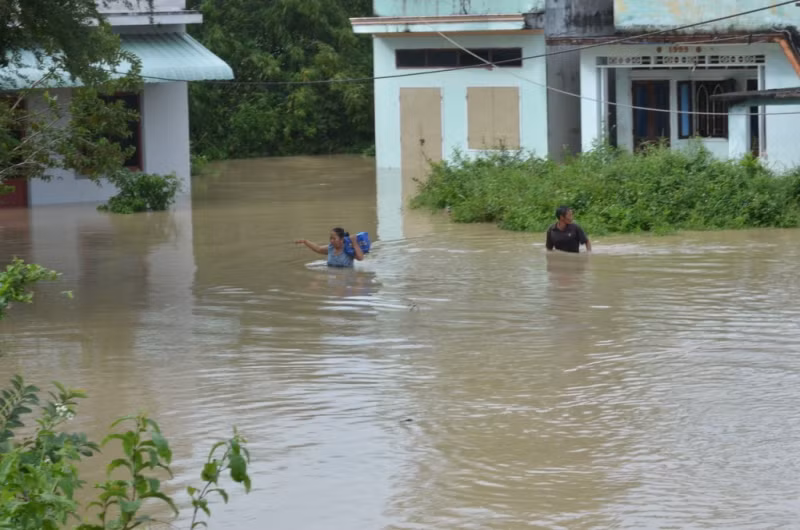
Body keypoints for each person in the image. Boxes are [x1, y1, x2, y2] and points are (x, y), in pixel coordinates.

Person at [295, 227, 364, 267]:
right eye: (331, 238)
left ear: (341, 240)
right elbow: (318, 249)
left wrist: (354, 243)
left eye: (334, 239)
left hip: (345, 278)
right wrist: (305, 241)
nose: (331, 240)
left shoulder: (348, 248)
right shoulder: (331, 248)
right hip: (332, 278)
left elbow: (360, 258)